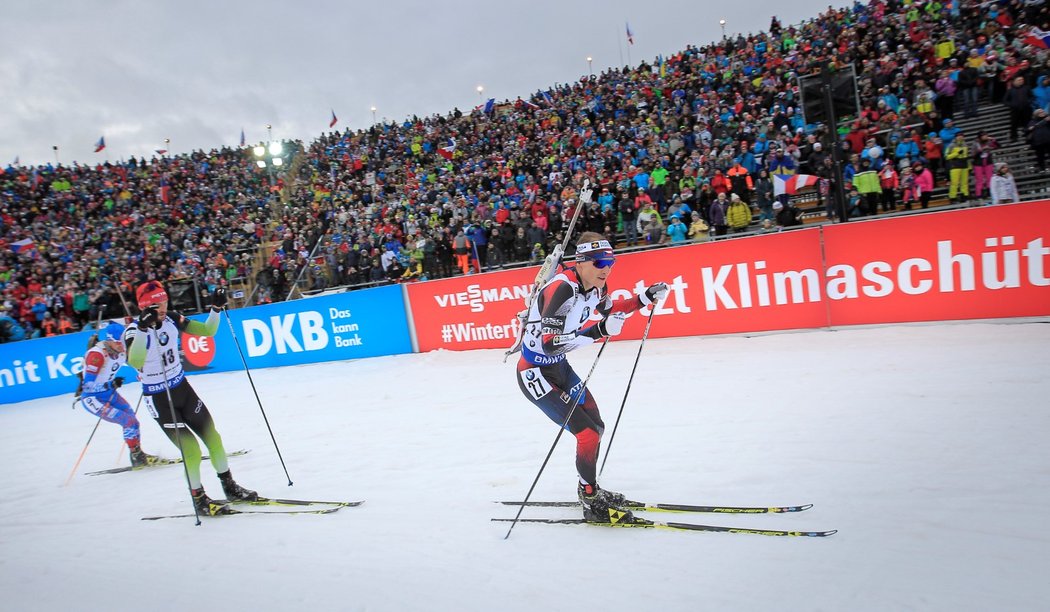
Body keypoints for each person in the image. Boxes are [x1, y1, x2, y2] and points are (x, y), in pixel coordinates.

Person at [515, 232, 668, 524]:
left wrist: (644, 298)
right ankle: (589, 496)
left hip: (560, 367)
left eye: (610, 261)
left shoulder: (597, 287)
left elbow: (611, 311)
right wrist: (599, 331)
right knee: (586, 433)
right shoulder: (562, 289)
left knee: (596, 427)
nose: (606, 268)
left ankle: (590, 489)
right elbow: (549, 343)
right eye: (599, 262)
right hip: (535, 373)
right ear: (580, 262)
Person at [124, 281, 256, 516]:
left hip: (182, 388)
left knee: (213, 436)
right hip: (159, 398)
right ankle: (199, 499)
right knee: (192, 450)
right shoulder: (134, 331)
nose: (163, 307)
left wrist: (215, 309)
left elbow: (207, 331)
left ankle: (230, 487)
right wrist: (144, 330)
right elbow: (134, 361)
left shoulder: (172, 318)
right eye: (156, 304)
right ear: (146, 306)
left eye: (164, 301)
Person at [77, 321, 159, 468]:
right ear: (109, 341)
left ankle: (137, 453)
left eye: (122, 342)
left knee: (132, 420)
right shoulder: (97, 354)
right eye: (118, 343)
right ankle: (137, 457)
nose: (122, 347)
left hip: (109, 393)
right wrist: (111, 383)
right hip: (93, 399)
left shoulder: (121, 348)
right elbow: (87, 385)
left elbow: (135, 362)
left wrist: (143, 373)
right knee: (128, 421)